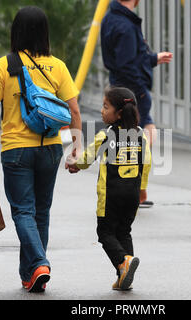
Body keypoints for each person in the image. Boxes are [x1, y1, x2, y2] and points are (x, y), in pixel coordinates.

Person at [0, 6, 82, 292]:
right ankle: (30, 275)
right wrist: (77, 147)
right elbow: (74, 111)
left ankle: (40, 263)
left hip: (17, 149)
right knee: (40, 212)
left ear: (15, 32)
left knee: (22, 211)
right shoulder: (58, 66)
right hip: (50, 149)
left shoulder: (2, 66)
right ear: (45, 33)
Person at [66, 87, 151, 291]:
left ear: (119, 113)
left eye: (106, 107)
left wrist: (74, 163)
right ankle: (123, 274)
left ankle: (123, 263)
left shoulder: (107, 134)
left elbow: (87, 158)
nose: (102, 111)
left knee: (105, 232)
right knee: (124, 231)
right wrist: (142, 189)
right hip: (132, 194)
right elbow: (146, 163)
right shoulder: (141, 135)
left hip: (111, 194)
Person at [101, 0, 172, 208]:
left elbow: (124, 59)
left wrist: (152, 59)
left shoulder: (110, 18)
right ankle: (133, 189)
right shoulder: (125, 25)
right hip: (132, 90)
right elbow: (127, 64)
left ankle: (132, 189)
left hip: (119, 86)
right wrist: (140, 91)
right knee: (138, 137)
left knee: (127, 136)